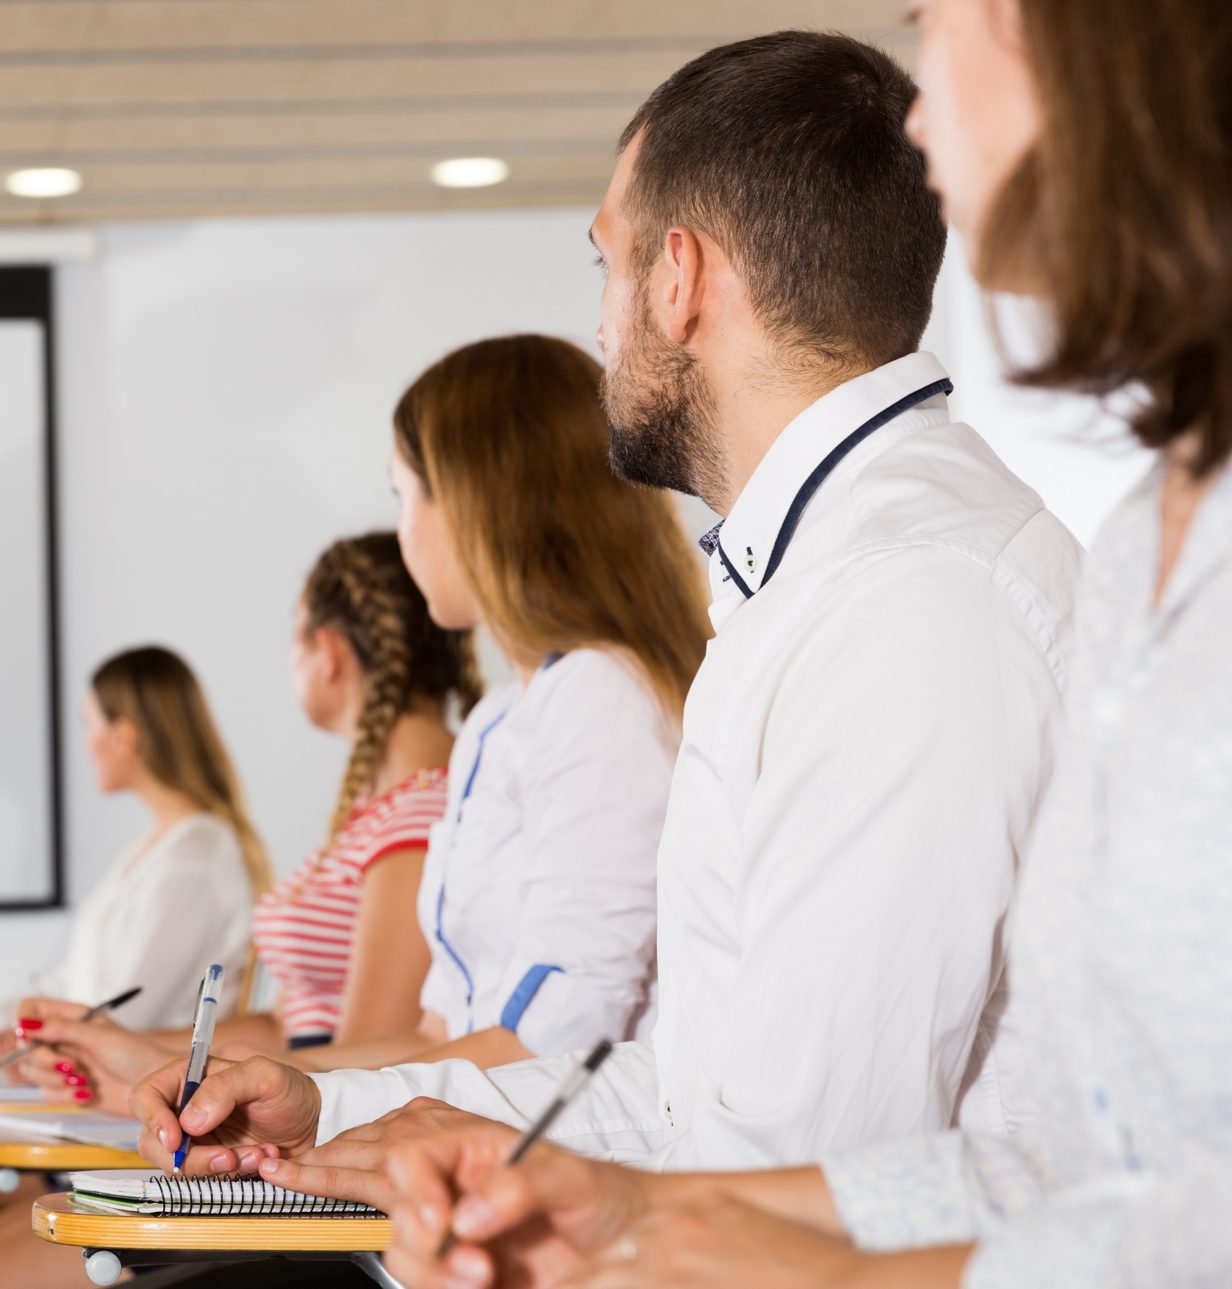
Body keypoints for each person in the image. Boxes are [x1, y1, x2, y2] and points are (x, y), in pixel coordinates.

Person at [132, 29, 1084, 1190]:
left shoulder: (906, 611)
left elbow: (802, 1168)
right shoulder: (816, 580)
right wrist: (339, 1108)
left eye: (605, 263)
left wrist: (478, 1183)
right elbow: (687, 1090)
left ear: (677, 277)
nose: (598, 327)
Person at [376, 0, 1232, 1284]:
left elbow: (845, 1142)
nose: (923, 112)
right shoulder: (1095, 553)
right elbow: (1063, 1161)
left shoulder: (914, 597)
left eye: (940, 25)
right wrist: (609, 1206)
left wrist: (674, 1229)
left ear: (677, 277)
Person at [0, 532, 471, 1289]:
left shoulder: (416, 818)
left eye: (292, 637)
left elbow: (367, 1050)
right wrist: (128, 1050)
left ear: (328, 652)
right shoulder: (378, 812)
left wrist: (169, 1065)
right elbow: (289, 1028)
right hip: (285, 1128)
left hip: (307, 1157)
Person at [0, 644, 265, 1289]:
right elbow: (58, 997)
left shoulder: (196, 858)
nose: (83, 743)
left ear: (127, 735)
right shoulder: (154, 851)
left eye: (90, 726)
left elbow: (107, 1023)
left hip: (115, 1127)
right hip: (77, 1107)